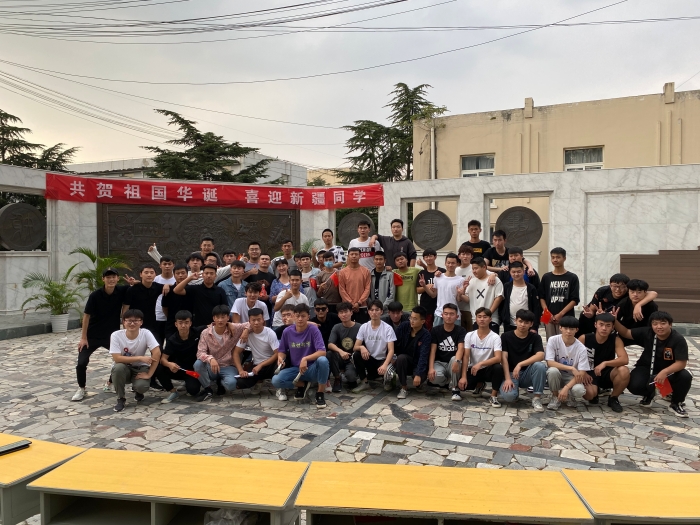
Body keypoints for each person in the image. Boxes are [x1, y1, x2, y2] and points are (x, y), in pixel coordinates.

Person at [614, 311, 692, 418]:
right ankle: (649, 394)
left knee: (685, 376)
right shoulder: (648, 333)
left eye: (663, 323)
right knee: (634, 384)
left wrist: (665, 372)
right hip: (647, 367)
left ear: (670, 324)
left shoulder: (677, 339)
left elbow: (681, 363)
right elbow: (626, 332)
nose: (659, 327)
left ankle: (676, 402)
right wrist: (614, 320)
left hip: (669, 371)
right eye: (655, 323)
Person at [72, 267, 129, 402]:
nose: (111, 279)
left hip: (112, 335)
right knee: (81, 363)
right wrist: (83, 338)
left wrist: (134, 282)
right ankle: (81, 388)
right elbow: (86, 316)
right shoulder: (95, 295)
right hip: (92, 335)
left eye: (113, 277)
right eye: (108, 277)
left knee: (122, 359)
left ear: (118, 278)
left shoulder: (122, 290)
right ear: (103, 279)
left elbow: (138, 286)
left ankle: (110, 383)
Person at [272, 304, 329, 408]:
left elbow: (322, 351)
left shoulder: (313, 329)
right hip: (296, 369)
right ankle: (303, 384)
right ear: (293, 316)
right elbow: (282, 350)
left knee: (323, 360)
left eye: (303, 316)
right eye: (297, 316)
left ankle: (320, 393)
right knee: (276, 380)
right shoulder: (287, 331)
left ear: (308, 317)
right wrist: (280, 358)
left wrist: (306, 358)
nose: (300, 319)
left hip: (312, 368)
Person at [194, 305, 250, 402]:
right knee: (198, 364)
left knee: (232, 385)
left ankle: (220, 382)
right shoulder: (205, 333)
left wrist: (246, 330)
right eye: (217, 317)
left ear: (228, 318)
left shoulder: (234, 328)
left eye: (223, 317)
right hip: (212, 366)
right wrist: (210, 359)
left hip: (228, 365)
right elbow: (200, 352)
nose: (220, 320)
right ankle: (208, 388)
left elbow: (251, 323)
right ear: (213, 318)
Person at [109, 309, 161, 412]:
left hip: (140, 367)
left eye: (136, 320)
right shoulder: (116, 335)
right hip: (124, 367)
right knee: (117, 368)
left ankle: (138, 391)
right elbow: (117, 358)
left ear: (141, 322)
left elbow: (157, 353)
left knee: (142, 386)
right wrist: (140, 357)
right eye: (129, 320)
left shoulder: (146, 333)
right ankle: (121, 398)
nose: (132, 323)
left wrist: (149, 374)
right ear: (124, 322)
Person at [579, 313, 629, 413]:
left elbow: (624, 359)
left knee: (624, 370)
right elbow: (574, 358)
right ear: (595, 325)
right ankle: (596, 391)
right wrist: (582, 372)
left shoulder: (616, 339)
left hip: (607, 373)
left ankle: (613, 398)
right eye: (601, 324)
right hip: (589, 373)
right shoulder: (584, 338)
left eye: (608, 325)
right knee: (589, 395)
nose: (604, 328)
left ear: (613, 327)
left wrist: (605, 363)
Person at [498, 309, 546, 411]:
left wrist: (520, 364)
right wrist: (507, 378)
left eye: (526, 322)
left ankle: (537, 398)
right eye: (520, 321)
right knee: (509, 397)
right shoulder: (505, 336)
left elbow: (540, 355)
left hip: (527, 373)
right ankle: (513, 391)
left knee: (540, 366)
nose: (523, 325)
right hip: (511, 373)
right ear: (515, 321)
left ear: (531, 324)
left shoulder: (535, 337)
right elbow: (503, 358)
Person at [545, 316, 594, 410]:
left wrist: (566, 388)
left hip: (572, 377)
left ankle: (570, 396)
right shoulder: (553, 340)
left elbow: (582, 373)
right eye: (566, 328)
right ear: (560, 328)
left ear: (576, 330)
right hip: (558, 374)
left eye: (572, 329)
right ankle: (555, 396)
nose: (568, 331)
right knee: (552, 371)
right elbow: (550, 362)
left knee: (579, 390)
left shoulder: (581, 348)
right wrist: (571, 368)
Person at [157, 310, 204, 403]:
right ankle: (172, 391)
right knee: (158, 368)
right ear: (176, 324)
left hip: (192, 370)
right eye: (180, 323)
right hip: (177, 369)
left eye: (186, 322)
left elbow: (214, 325)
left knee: (193, 390)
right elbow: (163, 359)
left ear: (190, 323)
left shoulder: (197, 332)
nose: (183, 325)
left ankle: (188, 384)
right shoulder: (172, 340)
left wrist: (229, 324)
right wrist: (169, 364)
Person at [459, 307, 503, 405]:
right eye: (479, 317)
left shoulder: (495, 337)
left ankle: (493, 396)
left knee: (498, 368)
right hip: (474, 369)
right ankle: (480, 384)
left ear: (490, 319)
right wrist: (463, 376)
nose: (482, 319)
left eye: (485, 317)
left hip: (488, 369)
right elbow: (466, 356)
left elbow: (498, 358)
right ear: (476, 319)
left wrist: (481, 364)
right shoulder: (469, 335)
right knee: (463, 386)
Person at [352, 300, 396, 393]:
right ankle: (364, 382)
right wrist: (362, 347)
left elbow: (391, 350)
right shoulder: (364, 327)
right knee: (356, 355)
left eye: (377, 310)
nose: (374, 312)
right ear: (368, 312)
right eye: (371, 310)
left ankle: (388, 380)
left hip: (383, 360)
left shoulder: (388, 328)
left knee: (388, 375)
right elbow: (355, 347)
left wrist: (384, 365)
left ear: (381, 312)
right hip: (370, 359)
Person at [231, 308, 280, 391]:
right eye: (253, 320)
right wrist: (240, 370)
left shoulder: (270, 333)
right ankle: (259, 380)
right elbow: (236, 353)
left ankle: (280, 388)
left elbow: (277, 353)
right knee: (240, 383)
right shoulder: (246, 334)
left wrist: (261, 365)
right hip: (256, 365)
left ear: (263, 320)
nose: (256, 322)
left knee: (281, 368)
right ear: (249, 321)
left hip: (271, 363)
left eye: (259, 319)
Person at [538, 247, 580, 340]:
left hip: (566, 317)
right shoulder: (546, 277)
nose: (555, 260)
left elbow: (575, 299)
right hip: (548, 316)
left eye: (558, 257)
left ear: (564, 258)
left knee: (565, 342)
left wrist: (560, 314)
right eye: (553, 257)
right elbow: (541, 297)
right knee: (551, 342)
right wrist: (547, 312)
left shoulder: (572, 277)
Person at [393, 306, 432, 399]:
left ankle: (419, 383)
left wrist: (418, 374)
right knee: (401, 358)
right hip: (404, 360)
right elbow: (393, 342)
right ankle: (404, 387)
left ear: (422, 321)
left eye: (415, 319)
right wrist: (392, 357)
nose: (412, 321)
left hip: (417, 363)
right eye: (411, 318)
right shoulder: (404, 326)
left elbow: (423, 356)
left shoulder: (426, 335)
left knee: (419, 377)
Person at [122, 263, 165, 345]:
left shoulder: (157, 287)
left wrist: (166, 285)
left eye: (152, 273)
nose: (149, 275)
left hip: (152, 324)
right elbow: (125, 308)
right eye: (146, 272)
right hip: (135, 323)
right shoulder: (132, 290)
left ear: (155, 275)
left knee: (157, 347)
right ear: (141, 274)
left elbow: (174, 287)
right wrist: (125, 326)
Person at [327, 302, 360, 392]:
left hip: (352, 359)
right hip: (340, 357)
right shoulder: (336, 327)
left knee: (351, 378)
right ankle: (337, 378)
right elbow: (330, 344)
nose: (344, 315)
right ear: (338, 315)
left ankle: (352, 375)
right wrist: (341, 351)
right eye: (341, 312)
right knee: (329, 354)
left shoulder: (359, 327)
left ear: (351, 312)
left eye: (346, 312)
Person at [464, 258, 504, 334]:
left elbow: (499, 298)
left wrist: (488, 314)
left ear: (484, 267)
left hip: (492, 319)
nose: (474, 271)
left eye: (476, 268)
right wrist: (460, 293)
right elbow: (468, 299)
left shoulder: (495, 280)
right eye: (473, 269)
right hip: (476, 320)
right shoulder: (471, 281)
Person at [499, 261, 540, 332]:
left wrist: (534, 327)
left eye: (519, 272)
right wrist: (503, 317)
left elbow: (536, 308)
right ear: (510, 272)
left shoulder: (531, 288)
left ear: (523, 272)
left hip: (527, 325)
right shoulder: (506, 287)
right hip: (509, 324)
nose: (516, 274)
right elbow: (502, 304)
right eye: (513, 272)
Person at [430, 253, 465, 327]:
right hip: (439, 313)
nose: (450, 265)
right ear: (445, 263)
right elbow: (434, 295)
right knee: (437, 334)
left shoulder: (461, 280)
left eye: (453, 263)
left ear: (457, 264)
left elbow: (459, 299)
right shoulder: (438, 277)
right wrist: (424, 286)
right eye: (448, 263)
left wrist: (460, 294)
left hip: (454, 315)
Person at [338, 247, 371, 323]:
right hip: (347, 307)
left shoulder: (366, 271)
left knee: (363, 327)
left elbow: (367, 288)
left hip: (362, 306)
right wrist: (351, 303)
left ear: (360, 256)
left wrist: (359, 303)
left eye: (356, 254)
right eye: (352, 254)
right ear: (348, 256)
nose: (354, 256)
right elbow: (342, 289)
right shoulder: (342, 272)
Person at [416, 249, 445, 330]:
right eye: (426, 257)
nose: (428, 258)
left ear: (435, 257)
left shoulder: (442, 271)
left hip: (440, 306)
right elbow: (418, 290)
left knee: (439, 330)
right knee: (426, 329)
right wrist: (427, 286)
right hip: (426, 306)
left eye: (430, 256)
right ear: (424, 258)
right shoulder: (422, 273)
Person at [161, 264, 192, 338]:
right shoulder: (168, 290)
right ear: (174, 275)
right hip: (172, 323)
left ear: (187, 274)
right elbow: (165, 308)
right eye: (178, 273)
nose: (180, 275)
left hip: (189, 323)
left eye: (183, 273)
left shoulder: (192, 289)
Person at [153, 255, 175, 345]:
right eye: (164, 264)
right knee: (158, 344)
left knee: (172, 344)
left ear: (173, 265)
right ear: (160, 265)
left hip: (173, 317)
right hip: (158, 316)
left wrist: (168, 285)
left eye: (169, 264)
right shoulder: (155, 279)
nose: (167, 266)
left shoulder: (177, 278)